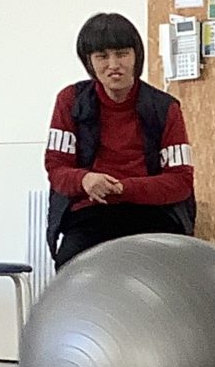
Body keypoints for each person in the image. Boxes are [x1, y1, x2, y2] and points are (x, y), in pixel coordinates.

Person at [43, 14, 193, 268]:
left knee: (166, 273)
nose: (113, 65)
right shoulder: (70, 101)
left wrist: (124, 188)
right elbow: (56, 168)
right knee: (70, 269)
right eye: (102, 57)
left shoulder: (165, 108)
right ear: (89, 62)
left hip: (153, 213)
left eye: (122, 54)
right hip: (89, 213)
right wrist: (84, 180)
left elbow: (181, 181)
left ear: (136, 56)